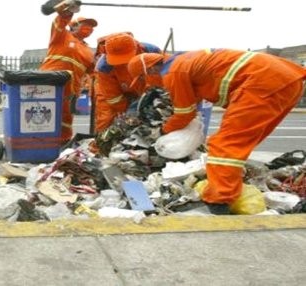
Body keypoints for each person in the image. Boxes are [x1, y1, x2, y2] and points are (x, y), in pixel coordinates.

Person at [127, 49, 306, 213]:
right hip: (287, 80)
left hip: (260, 84)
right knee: (242, 142)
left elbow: (184, 114)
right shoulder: (183, 62)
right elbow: (191, 103)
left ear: (149, 70)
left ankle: (218, 202)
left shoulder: (173, 73)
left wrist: (162, 131)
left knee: (224, 145)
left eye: (143, 79)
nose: (149, 84)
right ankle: (230, 185)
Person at [39, 2, 97, 144]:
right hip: (50, 82)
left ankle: (63, 143)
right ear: (74, 24)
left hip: (71, 88)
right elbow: (60, 21)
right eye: (85, 24)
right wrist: (67, 10)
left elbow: (94, 73)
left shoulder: (88, 51)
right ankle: (38, 141)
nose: (88, 28)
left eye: (91, 26)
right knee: (43, 111)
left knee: (66, 117)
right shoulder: (62, 35)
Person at [93, 32, 161, 132]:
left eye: (125, 57)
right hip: (114, 90)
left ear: (136, 47)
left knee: (154, 113)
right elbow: (113, 97)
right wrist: (128, 113)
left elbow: (160, 75)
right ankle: (101, 145)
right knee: (106, 118)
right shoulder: (103, 67)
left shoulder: (151, 51)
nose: (124, 62)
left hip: (146, 87)